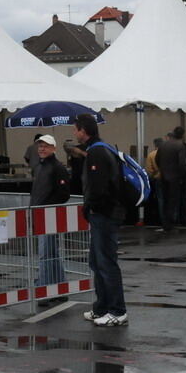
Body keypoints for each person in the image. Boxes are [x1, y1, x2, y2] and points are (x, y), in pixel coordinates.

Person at [74, 113, 127, 327]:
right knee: (97, 262)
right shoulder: (102, 149)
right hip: (106, 213)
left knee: (105, 263)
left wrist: (90, 207)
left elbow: (98, 188)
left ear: (83, 131)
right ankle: (102, 307)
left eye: (75, 129)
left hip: (104, 214)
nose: (74, 133)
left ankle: (117, 310)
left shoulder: (96, 153)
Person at [29, 134, 71, 306]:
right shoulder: (39, 167)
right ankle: (61, 289)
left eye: (45, 146)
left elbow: (64, 193)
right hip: (40, 214)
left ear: (53, 148)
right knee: (51, 253)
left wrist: (46, 207)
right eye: (40, 146)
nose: (42, 149)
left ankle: (44, 290)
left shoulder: (57, 168)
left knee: (46, 254)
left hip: (48, 215)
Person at [155, 127, 186, 232]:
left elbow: (157, 159)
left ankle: (165, 223)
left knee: (164, 201)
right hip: (175, 177)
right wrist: (185, 175)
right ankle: (169, 224)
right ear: (182, 135)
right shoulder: (180, 146)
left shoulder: (163, 144)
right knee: (172, 201)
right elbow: (182, 164)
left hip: (163, 175)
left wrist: (162, 169)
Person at [144, 138, 164, 227]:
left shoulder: (151, 155)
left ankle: (161, 219)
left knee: (160, 199)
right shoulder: (167, 154)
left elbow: (149, 170)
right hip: (168, 179)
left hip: (157, 179)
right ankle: (172, 219)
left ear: (155, 145)